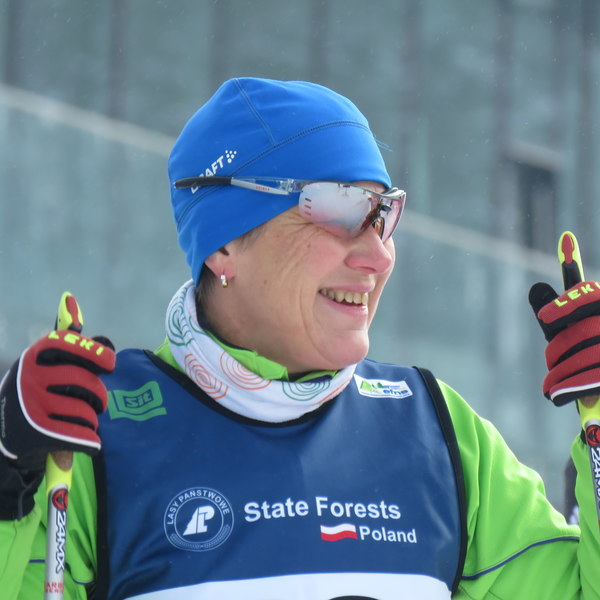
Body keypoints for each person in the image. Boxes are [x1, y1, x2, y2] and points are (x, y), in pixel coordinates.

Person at [0, 76, 599, 600]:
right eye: (340, 209)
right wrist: (8, 482)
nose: (378, 256)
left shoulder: (437, 434)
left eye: (384, 214)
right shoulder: (93, 433)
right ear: (224, 244)